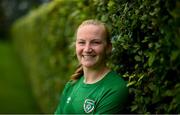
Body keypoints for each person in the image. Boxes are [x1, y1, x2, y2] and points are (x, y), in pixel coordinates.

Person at [55, 19, 128, 114]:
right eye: (81, 42)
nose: (87, 49)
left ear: (108, 48)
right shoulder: (71, 85)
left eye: (95, 42)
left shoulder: (114, 89)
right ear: (76, 46)